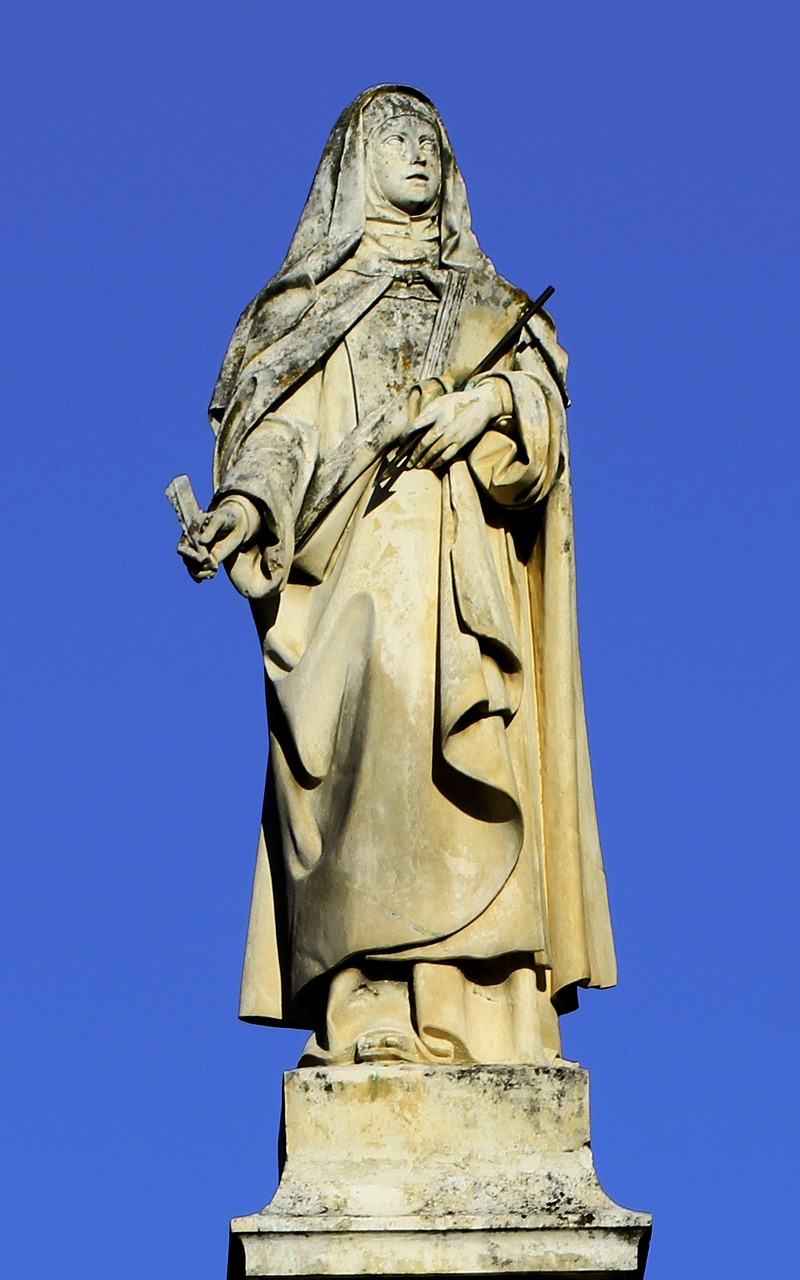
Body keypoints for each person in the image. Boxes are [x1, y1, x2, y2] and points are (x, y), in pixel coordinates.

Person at [178, 85, 616, 1066]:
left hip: (463, 584)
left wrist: (485, 407)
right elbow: (285, 437)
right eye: (395, 137)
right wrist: (243, 509)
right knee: (371, 786)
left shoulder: (489, 308)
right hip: (358, 588)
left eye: (430, 138)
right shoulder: (312, 313)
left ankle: (488, 1011)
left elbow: (537, 435)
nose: (416, 152)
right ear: (354, 167)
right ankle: (371, 1003)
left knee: (471, 773)